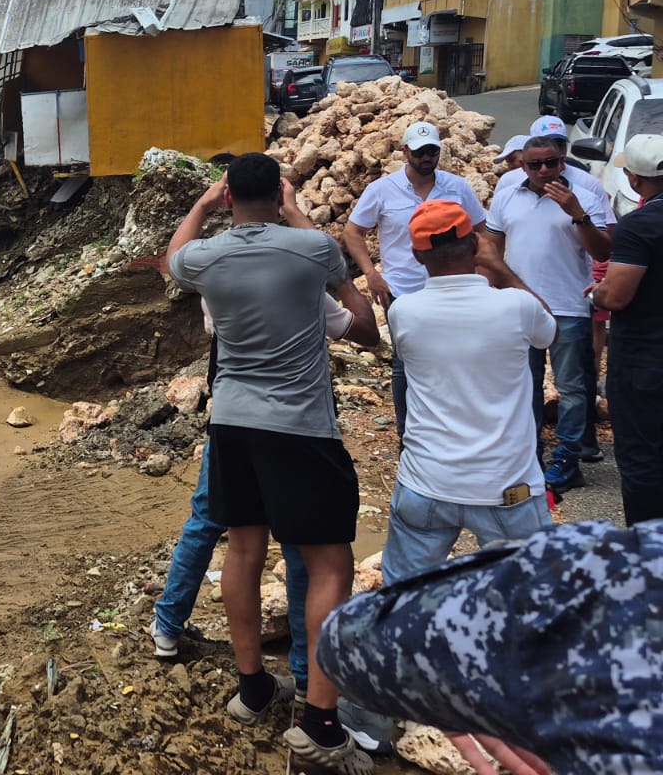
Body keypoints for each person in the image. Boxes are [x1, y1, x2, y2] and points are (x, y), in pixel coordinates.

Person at [167, 152, 371, 774]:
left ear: (228, 198)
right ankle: (321, 725)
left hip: (232, 423)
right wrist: (297, 211)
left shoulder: (206, 260)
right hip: (300, 428)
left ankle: (253, 688)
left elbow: (176, 256)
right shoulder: (308, 251)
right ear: (278, 194)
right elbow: (342, 280)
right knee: (330, 564)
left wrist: (202, 205)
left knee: (243, 551)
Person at [151, 284, 378, 703]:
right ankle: (307, 675)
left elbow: (212, 328)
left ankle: (171, 626)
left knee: (216, 527)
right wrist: (344, 280)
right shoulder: (301, 283)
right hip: (295, 424)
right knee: (300, 546)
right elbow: (361, 331)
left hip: (235, 422)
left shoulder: (218, 282)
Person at [318, 517, 663, 775]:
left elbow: (347, 641)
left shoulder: (632, 571)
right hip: (506, 487)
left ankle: (354, 722)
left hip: (431, 486)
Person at [383, 200, 556, 581]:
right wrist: (499, 267)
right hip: (506, 486)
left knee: (404, 600)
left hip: (426, 482)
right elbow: (548, 331)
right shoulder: (516, 306)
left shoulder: (403, 312)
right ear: (476, 244)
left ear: (416, 255)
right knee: (528, 601)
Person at [481, 135, 612, 494]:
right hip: (519, 307)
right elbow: (491, 249)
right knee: (525, 388)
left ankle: (567, 461)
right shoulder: (507, 195)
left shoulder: (584, 195)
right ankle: (531, 459)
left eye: (550, 163)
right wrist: (488, 292)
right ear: (522, 164)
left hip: (568, 306)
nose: (543, 170)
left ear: (562, 160)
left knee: (572, 390)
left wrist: (578, 215)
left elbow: (603, 251)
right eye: (534, 164)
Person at [345, 121, 487, 437]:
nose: (427, 158)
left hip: (452, 289)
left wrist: (481, 273)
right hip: (401, 291)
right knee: (405, 363)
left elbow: (481, 230)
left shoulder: (457, 187)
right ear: (405, 151)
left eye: (432, 151)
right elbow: (353, 231)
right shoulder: (382, 190)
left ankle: (450, 429)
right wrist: (371, 274)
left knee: (453, 358)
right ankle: (408, 434)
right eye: (421, 152)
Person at [590, 133, 663, 525]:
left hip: (644, 364)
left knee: (642, 461)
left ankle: (650, 558)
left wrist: (597, 294)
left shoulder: (640, 226)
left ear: (634, 179)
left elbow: (616, 297)